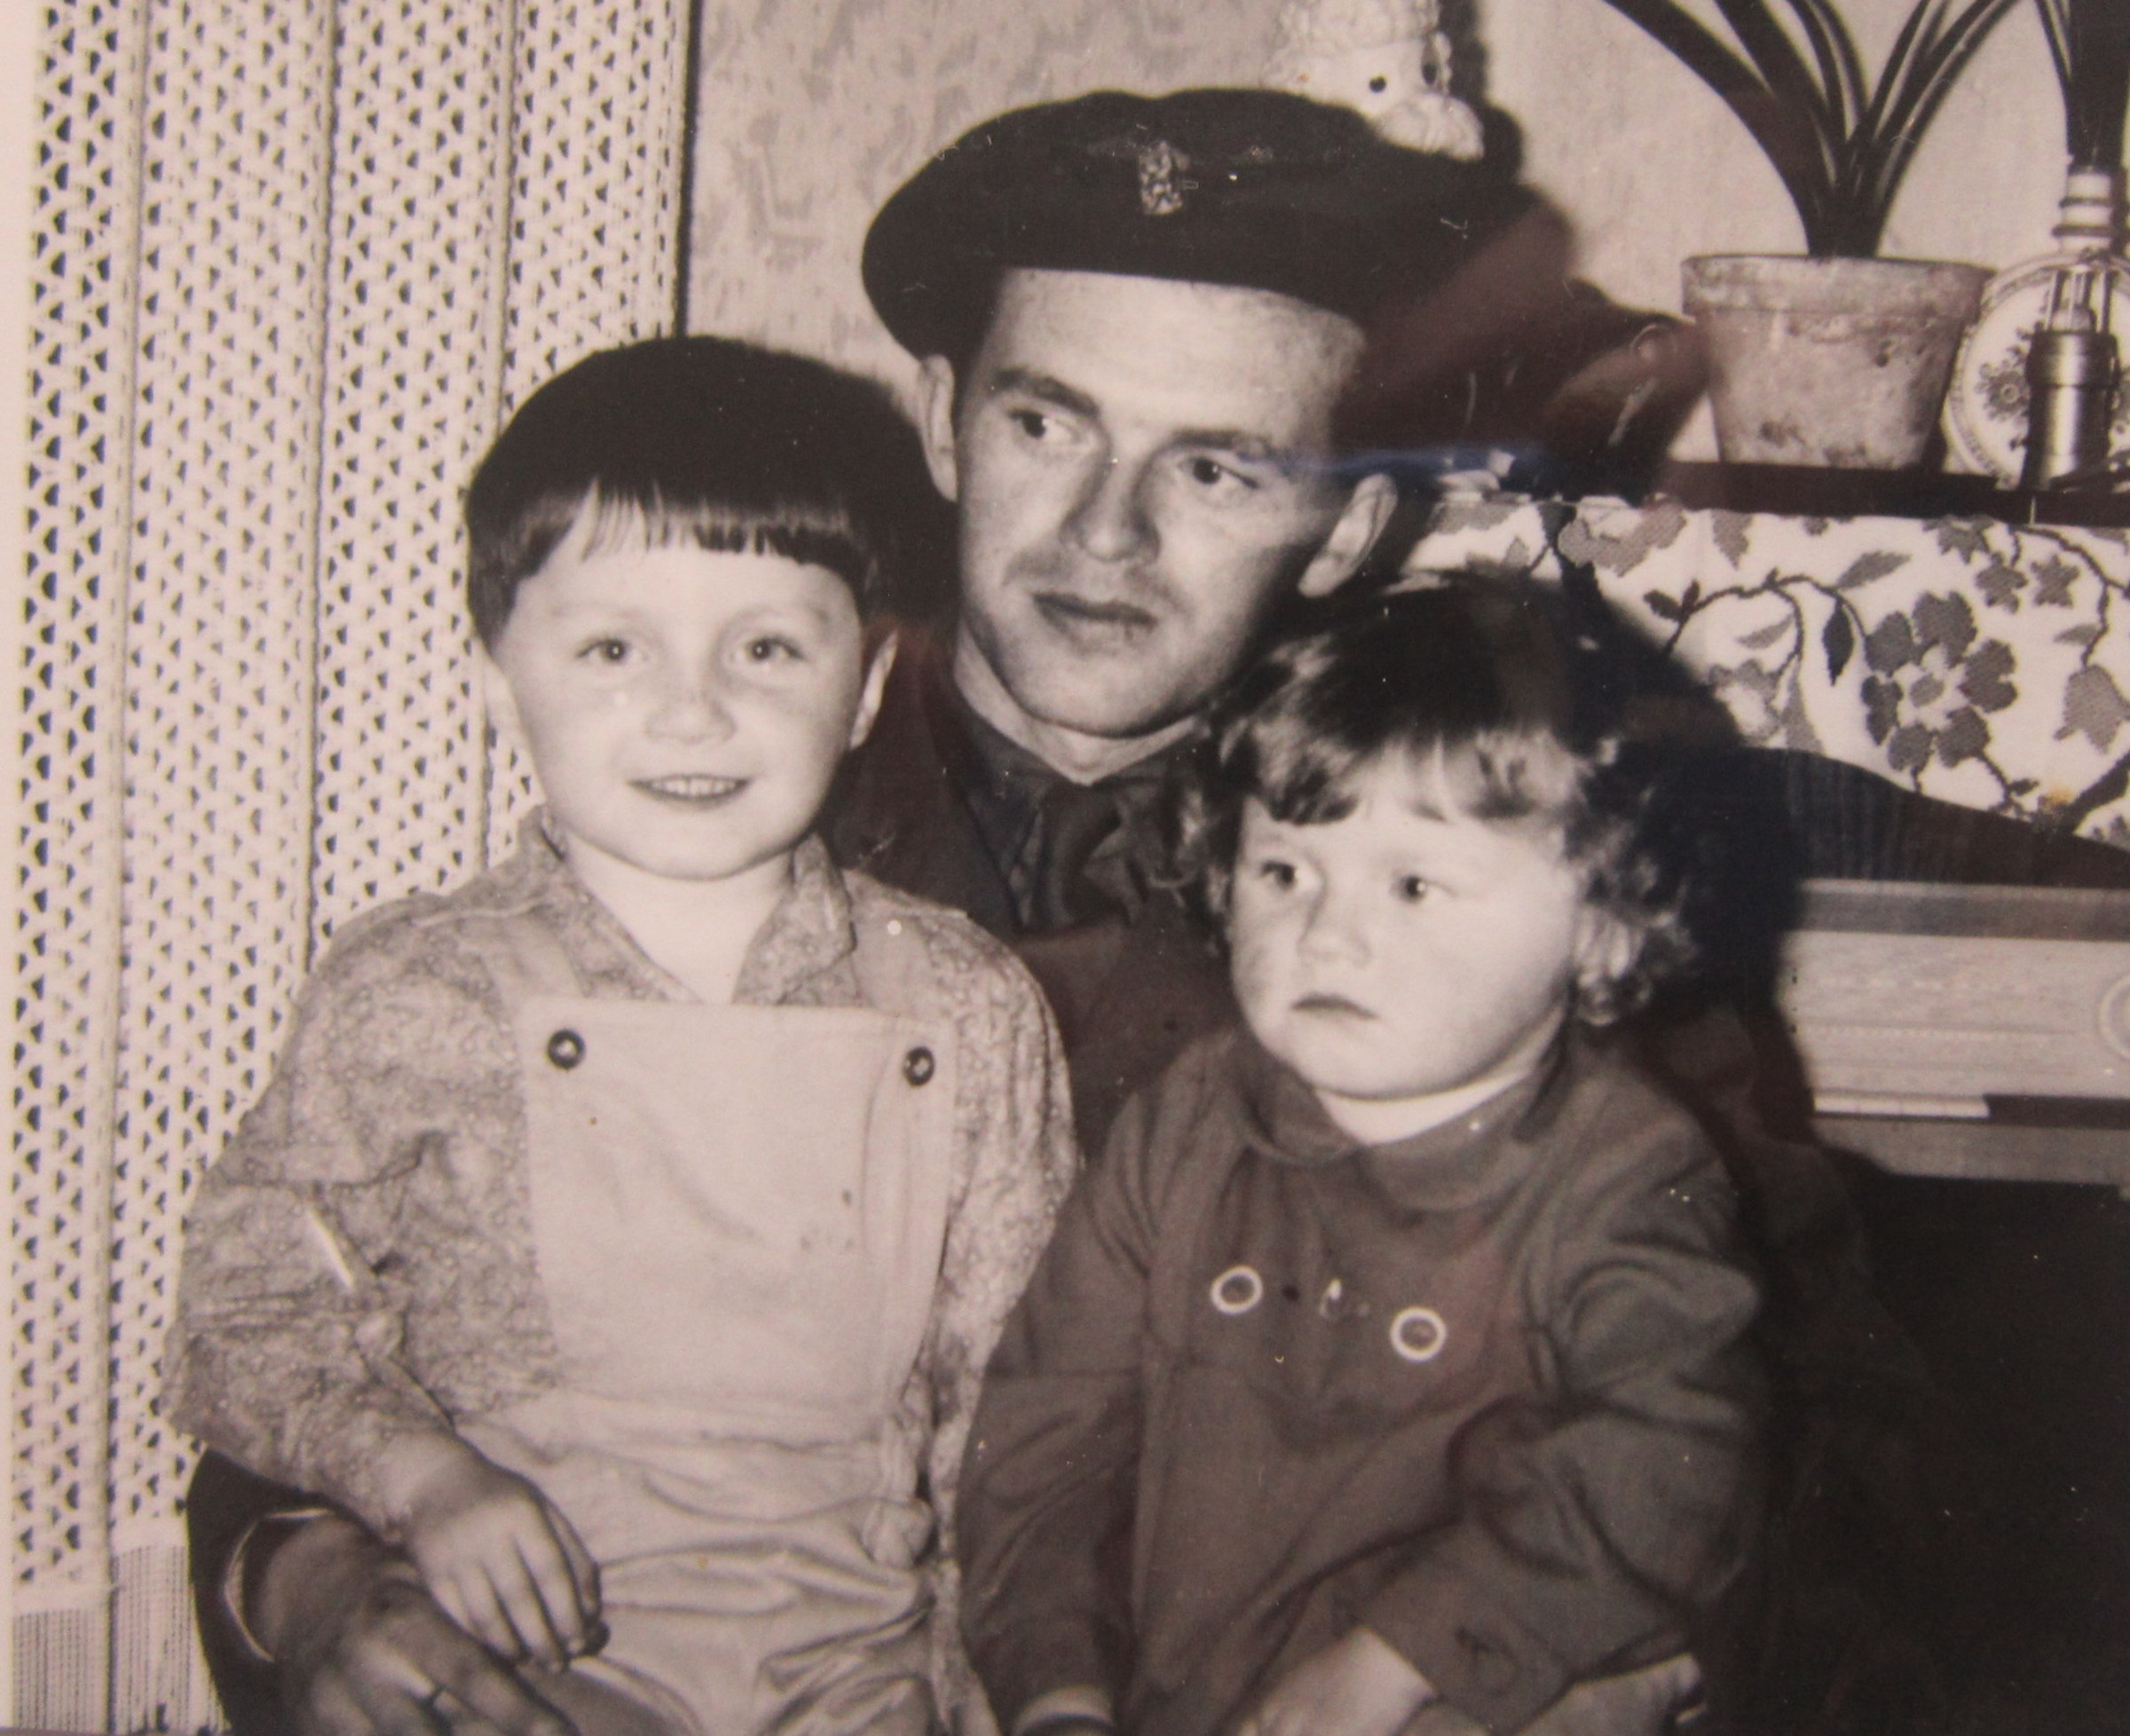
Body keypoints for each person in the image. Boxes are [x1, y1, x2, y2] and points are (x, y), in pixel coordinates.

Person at [185, 84, 2130, 1736]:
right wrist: (310, 1587)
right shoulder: (699, 814)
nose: (1104, 537)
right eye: (1048, 427)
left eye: (1217, 467)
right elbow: (341, 1318)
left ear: (1349, 523)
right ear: (944, 421)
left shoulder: (1491, 859)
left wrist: (1633, 1676)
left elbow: (1817, 1410)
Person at [164, 336, 1078, 1736]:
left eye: (766, 648)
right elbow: (243, 1312)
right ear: (497, 681)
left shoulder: (968, 1004)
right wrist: (420, 1481)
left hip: (865, 1673)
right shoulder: (414, 987)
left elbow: (1014, 1415)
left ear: (866, 688)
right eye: (611, 649)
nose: (694, 708)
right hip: (521, 1672)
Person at [957, 576, 1765, 1736]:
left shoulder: (1621, 1169)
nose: (1326, 935)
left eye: (1415, 884)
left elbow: (1669, 1461)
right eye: (1285, 872)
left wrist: (1403, 1660)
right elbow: (1042, 1441)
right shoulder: (1183, 1126)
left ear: (1601, 928)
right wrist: (1057, 1693)